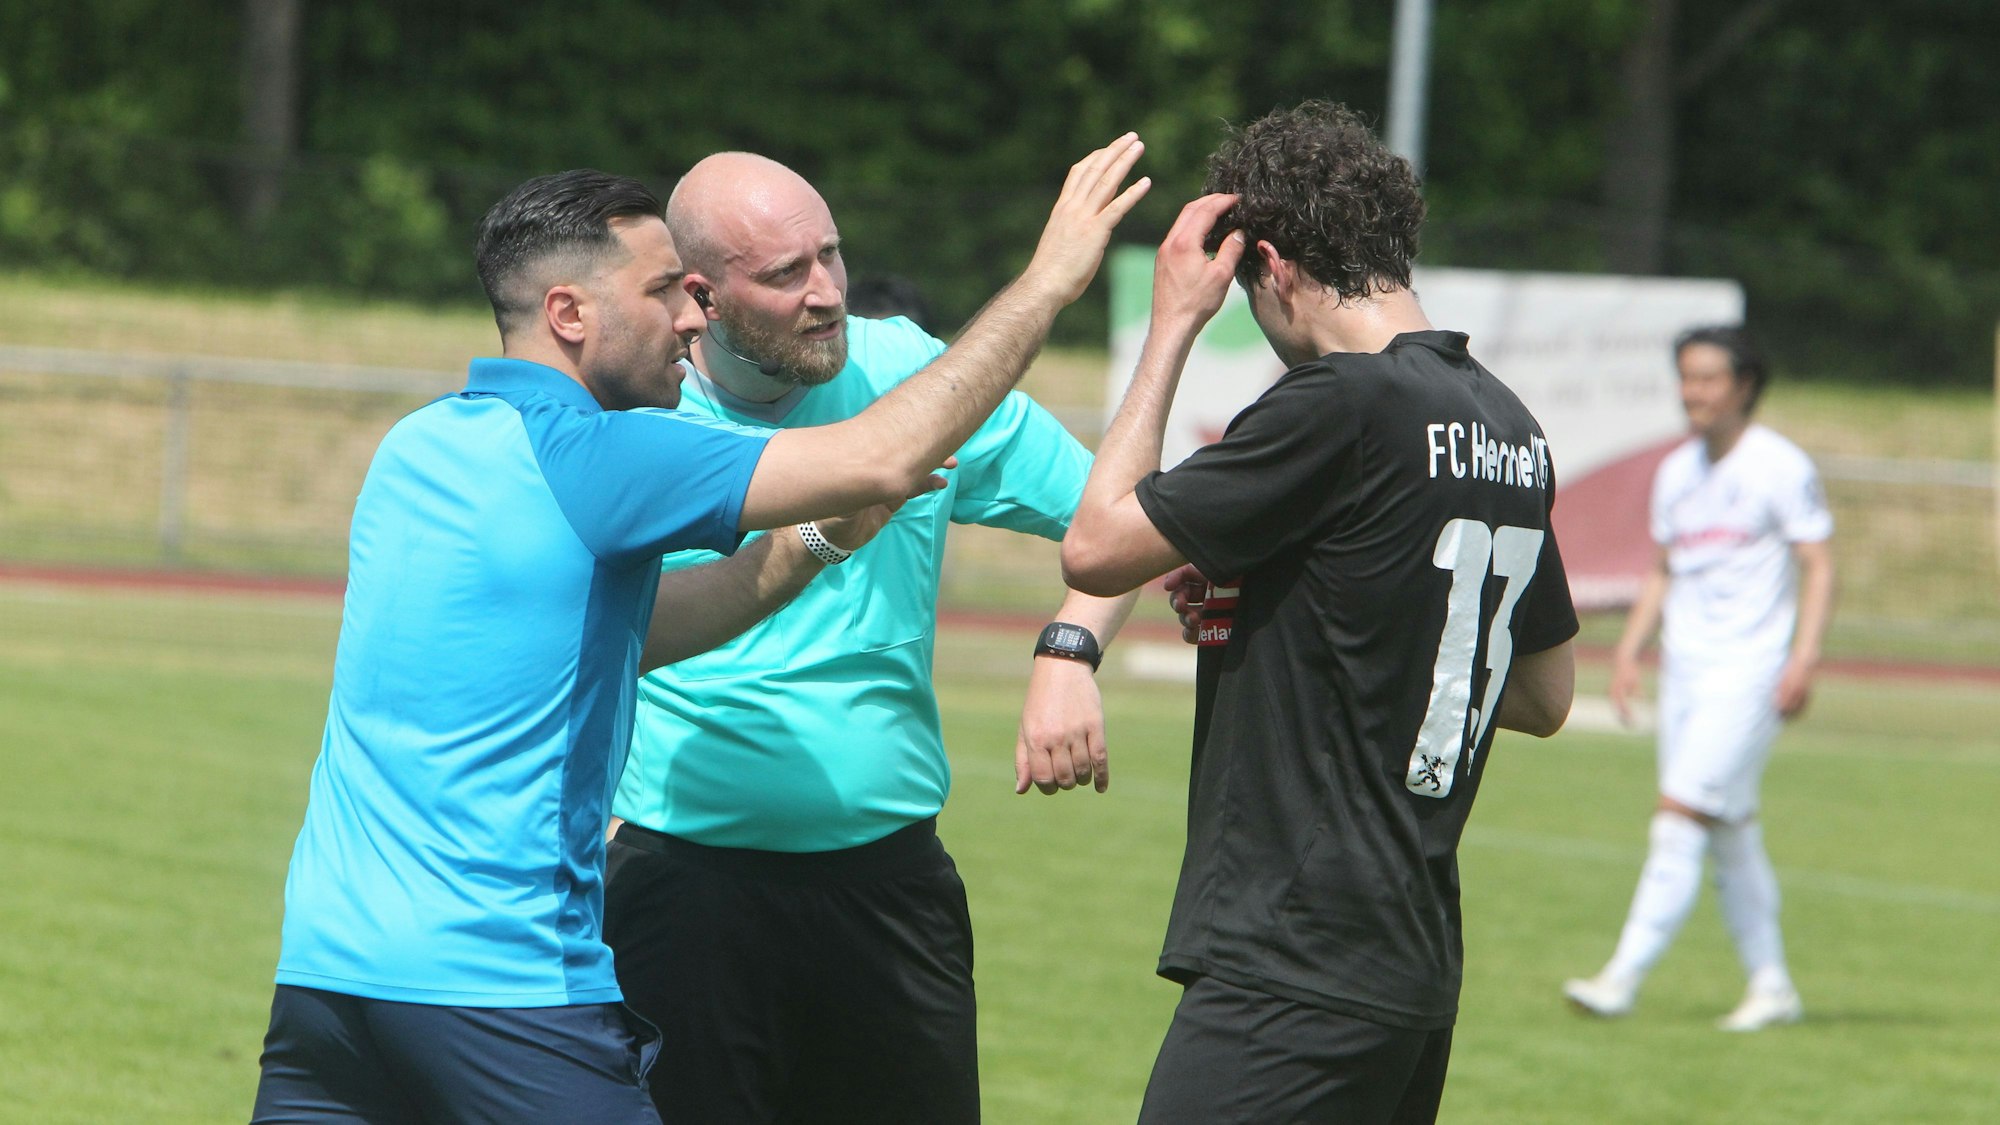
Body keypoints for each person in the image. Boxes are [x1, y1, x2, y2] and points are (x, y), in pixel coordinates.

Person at [252, 138, 1149, 1123]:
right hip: (504, 982)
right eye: (663, 294)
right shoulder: (611, 456)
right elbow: (887, 454)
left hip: (330, 977)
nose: (687, 318)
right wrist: (1048, 282)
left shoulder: (418, 444)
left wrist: (809, 545)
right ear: (569, 314)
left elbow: (645, 627)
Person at [1060, 100, 1578, 1124]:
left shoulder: (1339, 401)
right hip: (1412, 968)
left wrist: (1169, 326)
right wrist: (1308, 610)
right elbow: (1542, 690)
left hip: (1290, 955)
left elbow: (1097, 544)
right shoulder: (1508, 425)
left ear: (1274, 268)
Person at [600, 150, 1140, 1125]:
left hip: (888, 890)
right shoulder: (636, 416)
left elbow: (1123, 521)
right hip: (682, 897)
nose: (825, 294)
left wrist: (1071, 650)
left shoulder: (908, 376)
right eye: (783, 275)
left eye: (831, 256)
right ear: (699, 298)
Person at [1563, 325, 1835, 1032]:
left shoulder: (1779, 465)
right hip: (1685, 671)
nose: (1694, 392)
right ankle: (1772, 984)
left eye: (1709, 377)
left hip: (1749, 674)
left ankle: (1621, 976)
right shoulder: (1678, 470)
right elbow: (1662, 567)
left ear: (1744, 385)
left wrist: (1803, 655)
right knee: (1732, 829)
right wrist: (1629, 649)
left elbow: (1818, 562)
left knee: (1678, 816)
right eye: (1686, 377)